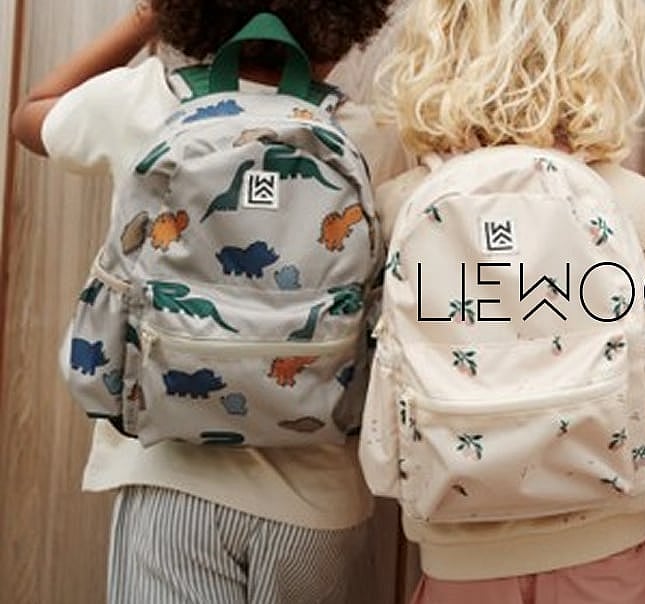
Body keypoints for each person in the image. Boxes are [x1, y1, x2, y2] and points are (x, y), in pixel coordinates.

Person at [10, 1, 403, 602]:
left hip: (171, 481)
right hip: (317, 502)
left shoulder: (144, 103)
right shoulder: (372, 135)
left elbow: (31, 115)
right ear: (345, 20)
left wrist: (147, 17)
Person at [369, 1, 645, 602]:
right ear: (602, 50)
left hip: (459, 561)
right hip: (607, 547)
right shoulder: (643, 205)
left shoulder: (401, 201)